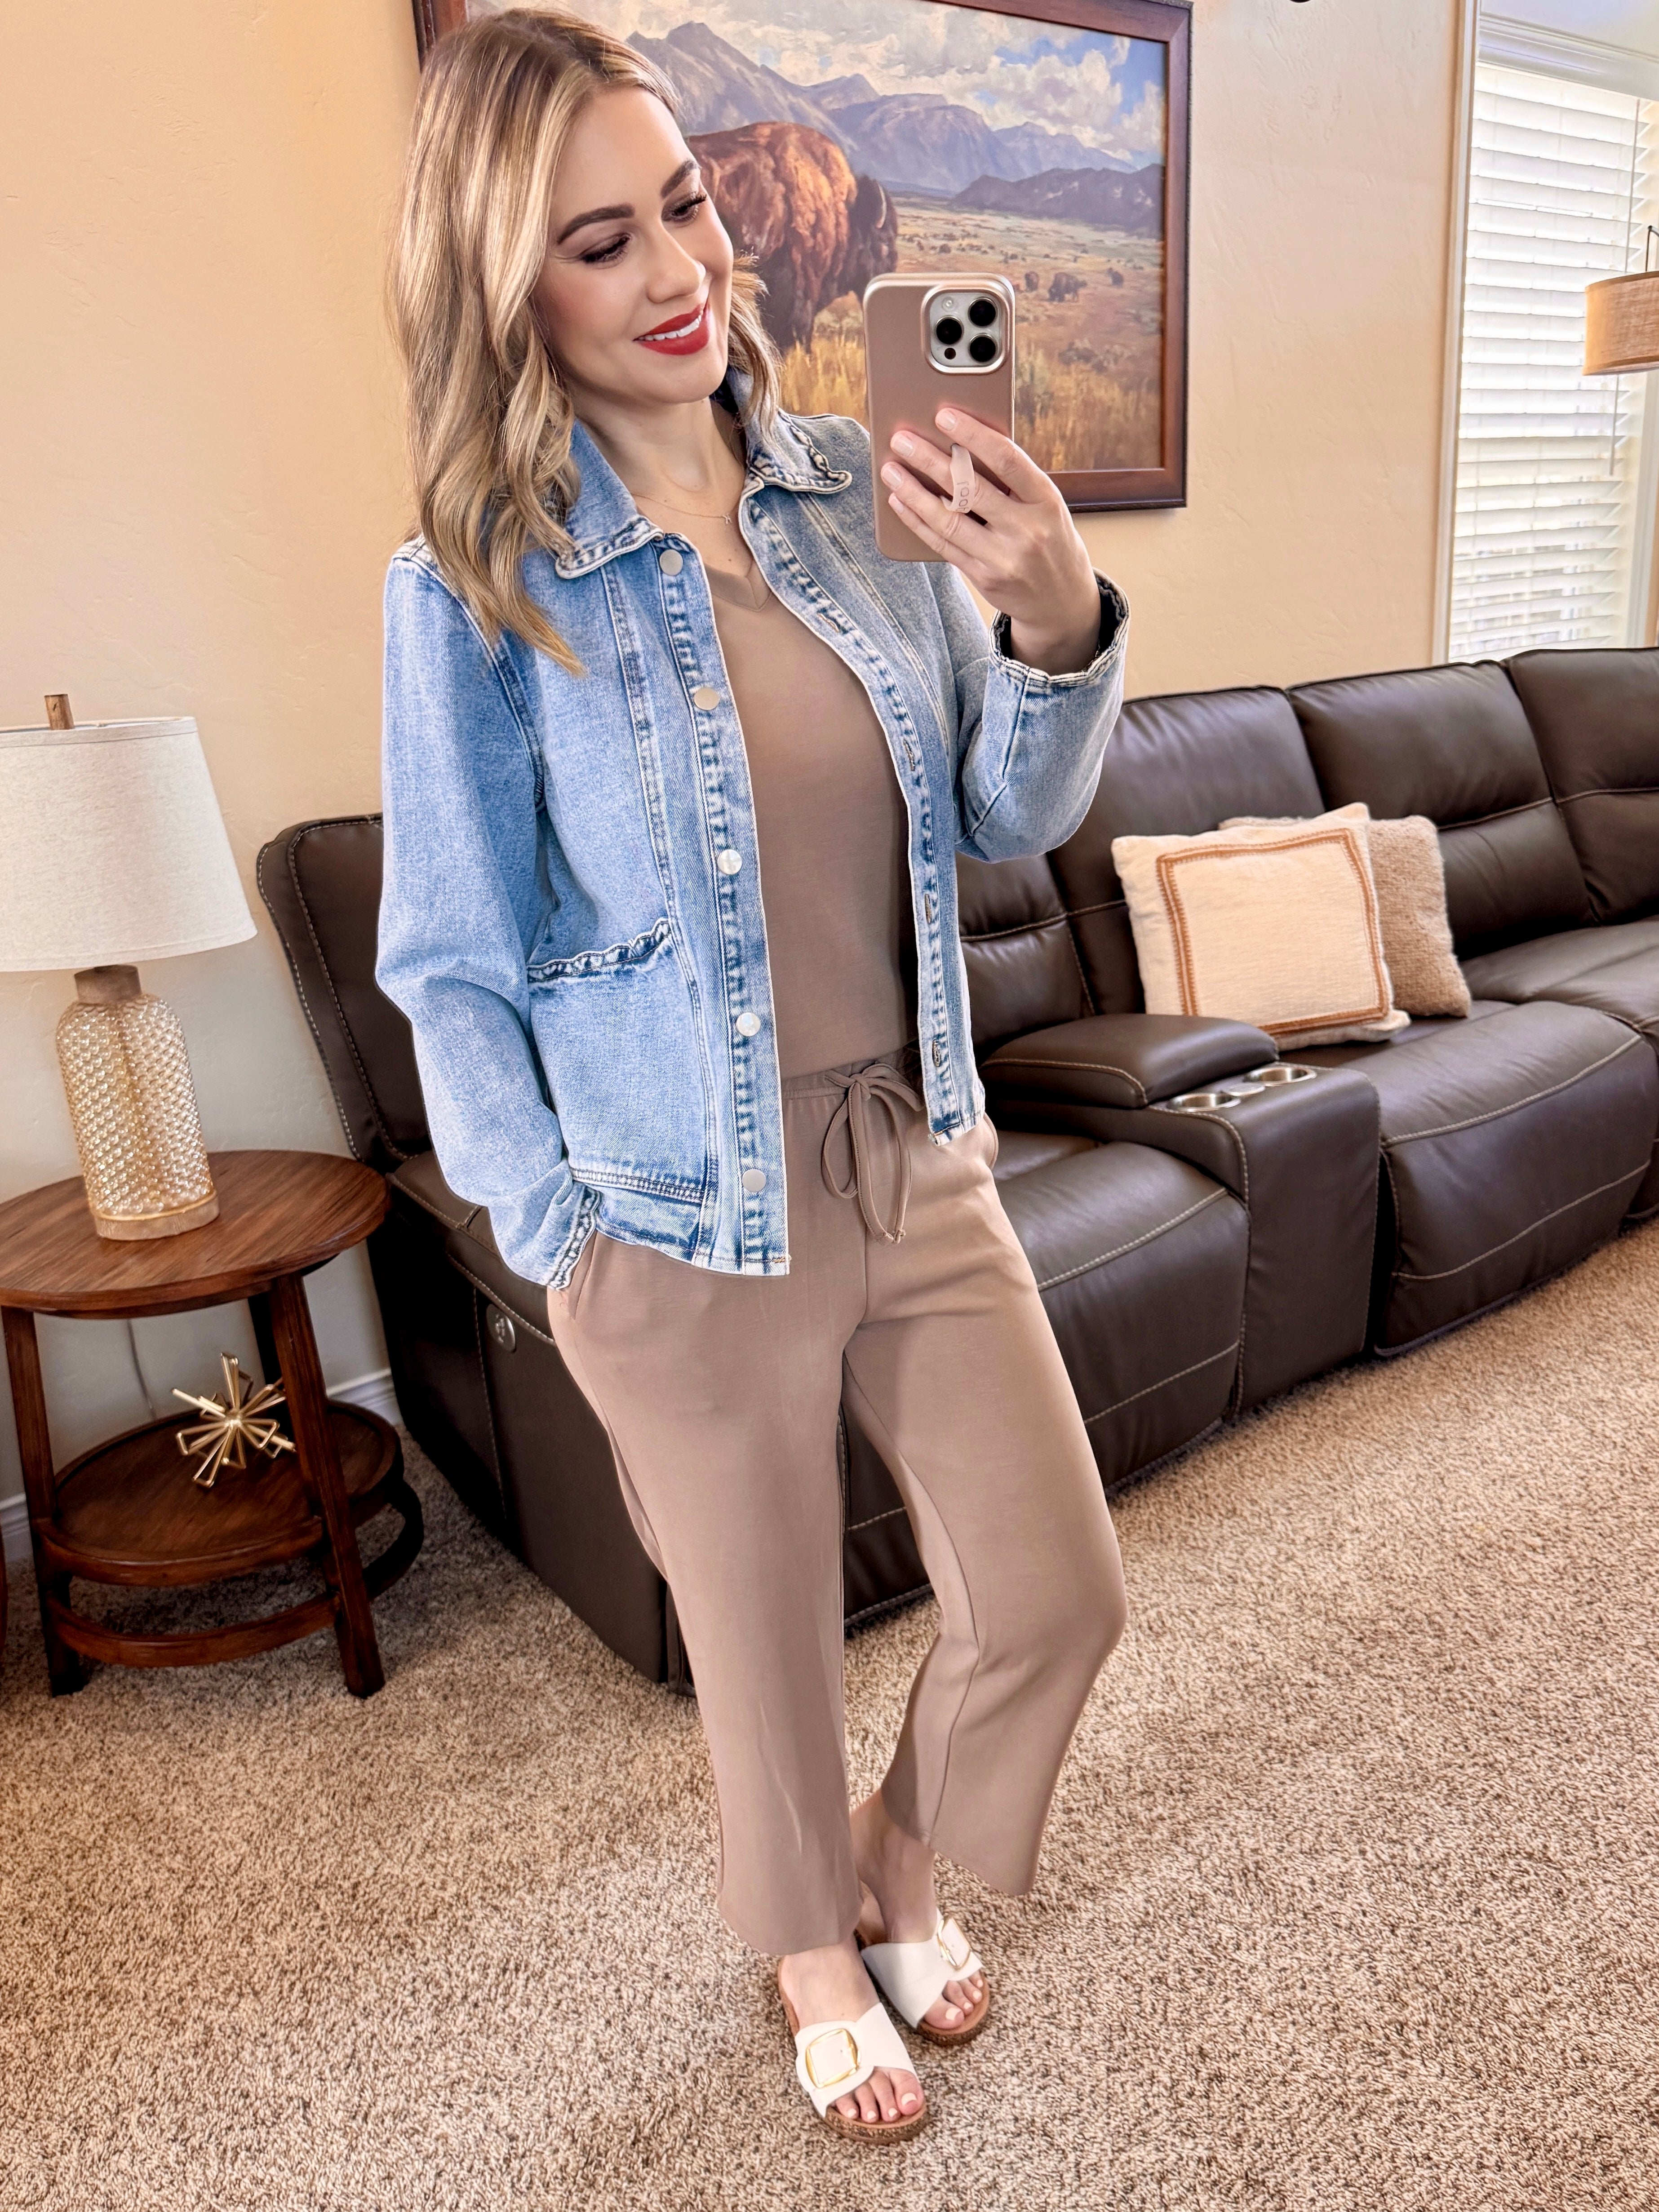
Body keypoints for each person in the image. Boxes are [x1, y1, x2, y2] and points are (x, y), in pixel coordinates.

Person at [378, 9, 1129, 2143]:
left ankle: (897, 1855)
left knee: (1055, 1591)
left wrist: (1051, 608)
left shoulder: (856, 493)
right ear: (507, 291)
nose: (673, 269)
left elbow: (1002, 809)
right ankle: (812, 1948)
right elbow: (448, 964)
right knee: (766, 1634)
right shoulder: (475, 586)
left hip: (909, 1148)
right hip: (672, 1200)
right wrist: (560, 1236)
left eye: (683, 204)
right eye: (594, 240)